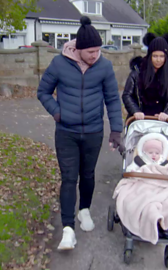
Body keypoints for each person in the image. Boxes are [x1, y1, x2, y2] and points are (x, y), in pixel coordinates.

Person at [37, 16, 123, 250]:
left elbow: (113, 99)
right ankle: (68, 229)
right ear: (78, 49)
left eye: (98, 50)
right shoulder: (59, 64)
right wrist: (58, 113)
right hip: (66, 132)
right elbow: (43, 92)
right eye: (91, 51)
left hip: (94, 131)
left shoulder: (104, 66)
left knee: (87, 175)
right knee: (69, 178)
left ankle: (84, 210)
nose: (95, 55)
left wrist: (116, 129)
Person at [122, 33, 168, 139]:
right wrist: (135, 111)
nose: (158, 60)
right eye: (155, 56)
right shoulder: (138, 71)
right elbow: (127, 95)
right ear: (149, 55)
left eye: (161, 56)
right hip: (141, 121)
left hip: (165, 122)